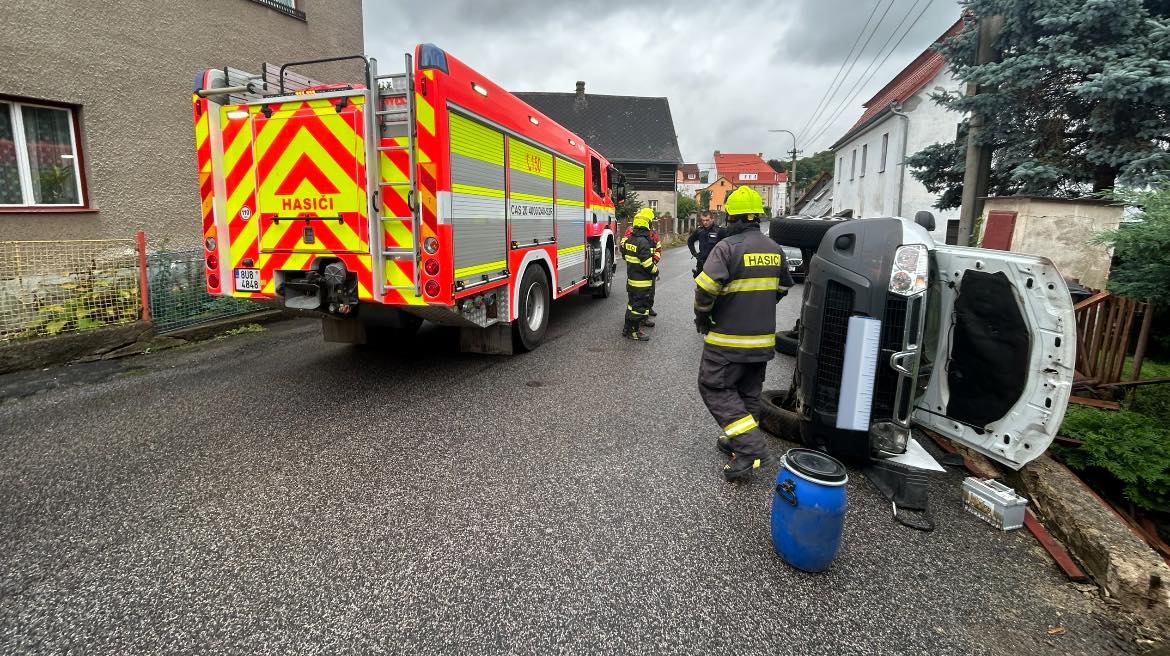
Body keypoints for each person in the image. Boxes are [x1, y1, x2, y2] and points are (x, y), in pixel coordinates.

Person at [694, 186, 794, 481]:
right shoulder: (775, 250)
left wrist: (703, 318)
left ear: (731, 217)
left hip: (727, 340)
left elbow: (705, 291)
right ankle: (739, 444)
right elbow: (783, 288)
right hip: (761, 341)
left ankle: (750, 448)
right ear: (757, 217)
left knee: (713, 387)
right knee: (747, 392)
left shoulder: (727, 248)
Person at [622, 207, 658, 341]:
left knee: (631, 305)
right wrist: (656, 270)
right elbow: (648, 264)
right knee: (638, 308)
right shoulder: (643, 242)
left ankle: (626, 328)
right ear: (647, 224)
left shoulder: (629, 240)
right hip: (641, 283)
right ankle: (634, 332)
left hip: (631, 280)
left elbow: (626, 256)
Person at [687, 211, 725, 277]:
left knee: (714, 285)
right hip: (702, 263)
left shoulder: (719, 231)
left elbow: (729, 243)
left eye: (707, 220)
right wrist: (695, 254)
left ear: (712, 219)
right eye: (703, 220)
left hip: (715, 264)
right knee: (700, 285)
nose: (705, 222)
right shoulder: (699, 231)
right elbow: (690, 241)